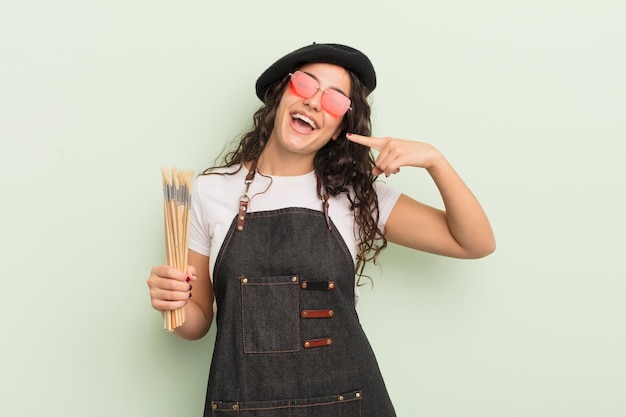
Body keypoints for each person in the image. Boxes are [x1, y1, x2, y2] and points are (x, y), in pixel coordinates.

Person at [147, 43, 495, 416]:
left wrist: (434, 160)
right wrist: (174, 305)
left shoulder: (356, 194)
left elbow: (474, 242)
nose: (315, 102)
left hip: (347, 404)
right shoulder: (209, 191)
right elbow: (197, 322)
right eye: (305, 85)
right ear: (280, 95)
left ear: (338, 129)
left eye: (334, 100)